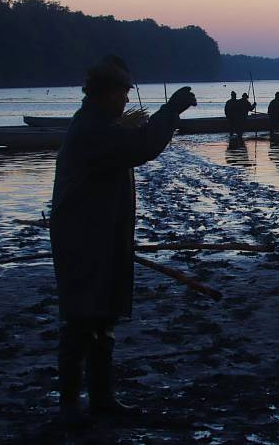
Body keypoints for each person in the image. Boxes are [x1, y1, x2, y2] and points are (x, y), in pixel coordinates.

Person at [50, 55, 196, 428]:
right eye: (124, 93)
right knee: (82, 318)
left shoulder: (102, 123)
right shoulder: (91, 130)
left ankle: (102, 398)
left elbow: (136, 140)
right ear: (107, 93)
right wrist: (171, 110)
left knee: (104, 317)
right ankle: (69, 404)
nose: (127, 101)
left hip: (106, 234)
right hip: (83, 238)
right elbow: (143, 147)